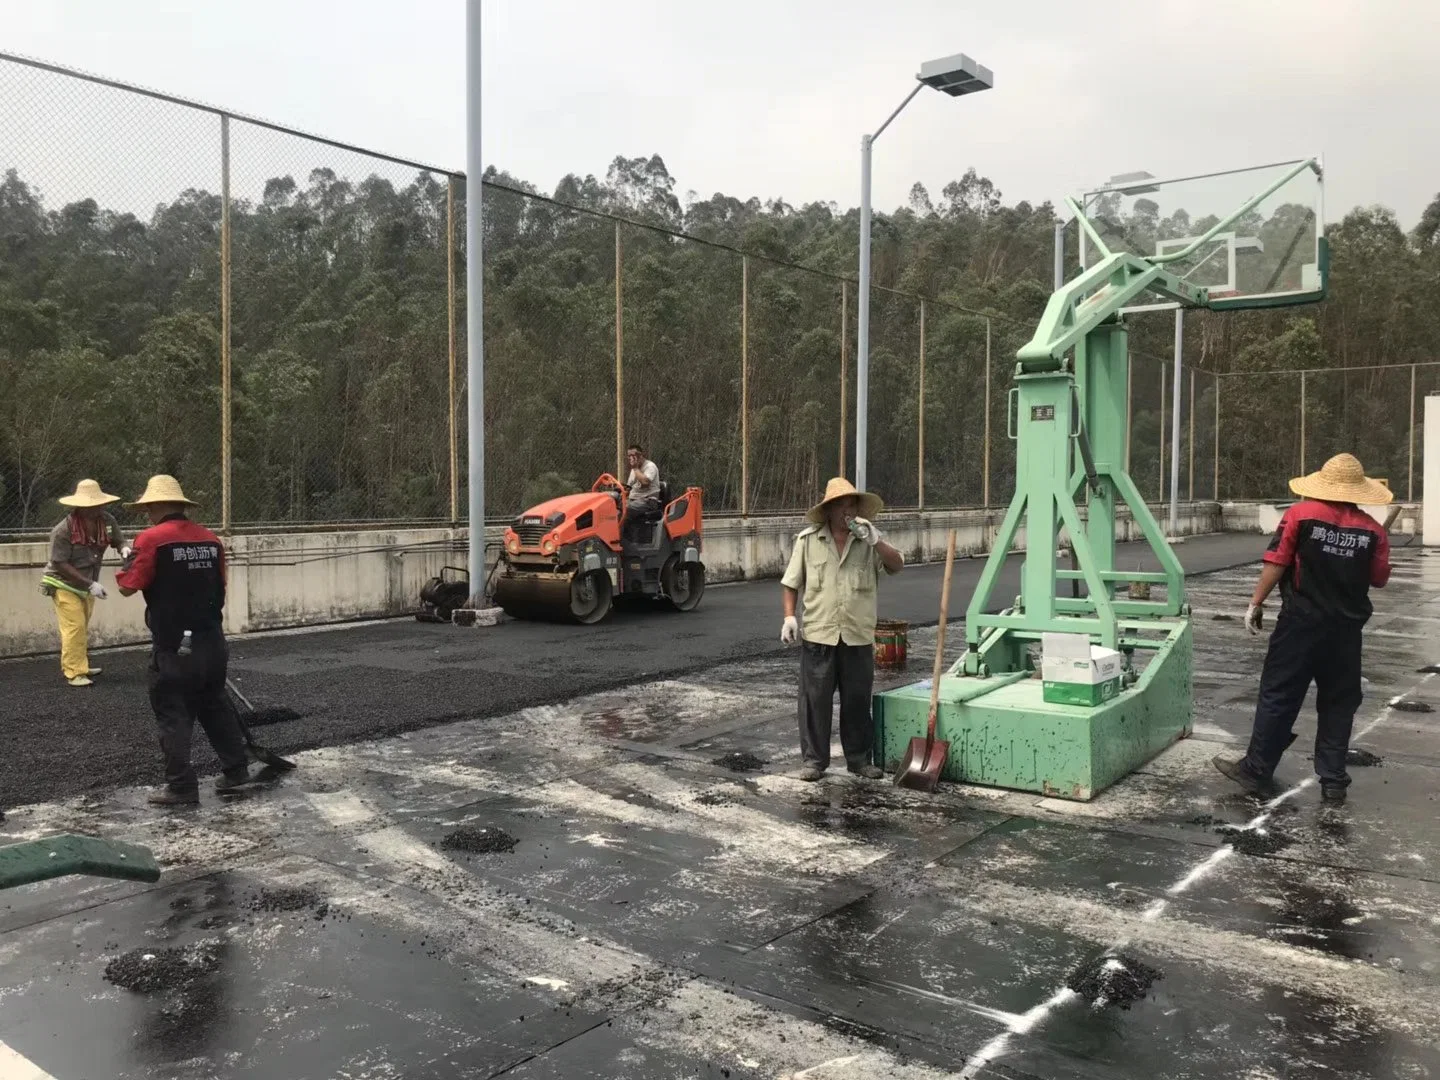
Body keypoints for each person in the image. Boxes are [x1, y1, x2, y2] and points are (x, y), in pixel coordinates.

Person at [1213, 453, 1392, 804]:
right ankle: (1333, 780)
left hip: (1300, 625)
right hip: (1346, 632)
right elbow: (1379, 579)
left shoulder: (1301, 515)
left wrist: (1256, 602)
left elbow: (1277, 562)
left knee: (1279, 694)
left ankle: (1257, 768)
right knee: (1339, 703)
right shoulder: (1372, 530)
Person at [115, 475, 259, 806]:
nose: (147, 515)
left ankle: (180, 787)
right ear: (182, 506)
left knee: (173, 712)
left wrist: (128, 555)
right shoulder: (211, 540)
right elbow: (219, 589)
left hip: (175, 646)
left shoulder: (150, 540)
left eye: (147, 509)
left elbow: (126, 586)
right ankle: (237, 770)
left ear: (154, 506)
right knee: (214, 705)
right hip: (212, 641)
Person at [780, 477, 904, 781]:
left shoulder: (868, 542)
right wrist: (789, 617)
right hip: (819, 635)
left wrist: (877, 541)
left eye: (853, 505)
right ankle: (814, 761)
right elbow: (791, 583)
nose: (849, 511)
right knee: (814, 702)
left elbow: (897, 564)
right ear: (831, 510)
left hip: (857, 635)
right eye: (843, 505)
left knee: (858, 701)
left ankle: (860, 760)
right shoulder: (808, 541)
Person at [40, 479, 128, 687]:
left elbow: (119, 540)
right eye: (91, 505)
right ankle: (74, 672)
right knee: (74, 626)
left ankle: (81, 664)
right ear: (79, 506)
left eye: (98, 504)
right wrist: (90, 584)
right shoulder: (63, 530)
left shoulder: (107, 521)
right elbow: (59, 563)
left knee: (82, 625)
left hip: (88, 582)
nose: (97, 508)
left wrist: (124, 548)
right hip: (63, 582)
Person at [623, 444, 662, 535]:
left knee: (625, 509)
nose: (631, 458)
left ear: (641, 455)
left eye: (634, 455)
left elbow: (645, 482)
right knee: (613, 506)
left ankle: (621, 538)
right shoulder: (634, 470)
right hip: (634, 501)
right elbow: (629, 487)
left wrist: (635, 468)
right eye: (629, 456)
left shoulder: (650, 466)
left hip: (648, 501)